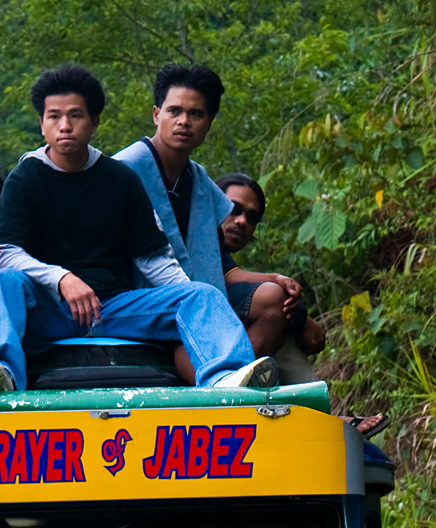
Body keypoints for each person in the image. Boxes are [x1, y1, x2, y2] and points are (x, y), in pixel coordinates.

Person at [0, 64, 276, 393]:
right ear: (42, 124)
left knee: (200, 294)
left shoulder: (119, 179)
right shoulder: (26, 178)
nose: (65, 126)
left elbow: (153, 258)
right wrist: (61, 279)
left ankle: (227, 378)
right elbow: (4, 254)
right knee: (6, 279)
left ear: (94, 123)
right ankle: (2, 372)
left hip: (113, 310)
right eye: (54, 117)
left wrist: (184, 298)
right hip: (49, 310)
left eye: (75, 116)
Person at [114, 65, 309, 374]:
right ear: (156, 114)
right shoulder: (123, 169)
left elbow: (214, 266)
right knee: (191, 336)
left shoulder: (199, 180)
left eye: (196, 114)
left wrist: (275, 279)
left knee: (274, 298)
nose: (184, 121)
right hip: (139, 301)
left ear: (209, 122)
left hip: (197, 295)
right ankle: (226, 388)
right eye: (174, 110)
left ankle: (241, 378)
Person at [215, 171, 326, 383]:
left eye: (252, 217)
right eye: (233, 209)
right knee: (271, 298)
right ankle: (231, 385)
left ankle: (317, 411)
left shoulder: (221, 256)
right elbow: (227, 280)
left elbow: (231, 276)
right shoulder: (196, 239)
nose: (241, 221)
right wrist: (298, 317)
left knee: (281, 333)